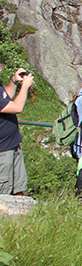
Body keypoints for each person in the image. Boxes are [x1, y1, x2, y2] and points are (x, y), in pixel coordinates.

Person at [0, 67, 35, 195]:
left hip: (13, 145)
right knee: (3, 192)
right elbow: (17, 107)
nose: (1, 69)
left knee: (19, 188)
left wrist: (14, 81)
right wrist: (24, 86)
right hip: (3, 150)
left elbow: (5, 97)